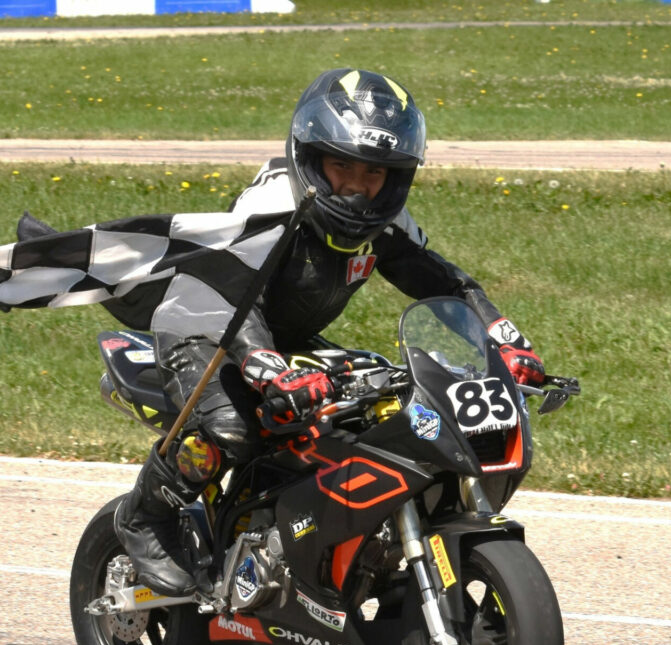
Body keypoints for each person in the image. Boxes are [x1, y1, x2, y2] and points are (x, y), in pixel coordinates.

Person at [115, 67, 545, 598]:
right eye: (342, 165)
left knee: (372, 408)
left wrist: (504, 338)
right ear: (311, 158)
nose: (358, 184)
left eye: (376, 172)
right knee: (232, 429)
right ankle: (146, 517)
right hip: (206, 327)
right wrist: (267, 367)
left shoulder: (386, 221)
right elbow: (231, 296)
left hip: (285, 337)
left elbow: (437, 279)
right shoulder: (271, 206)